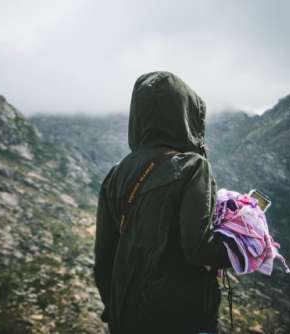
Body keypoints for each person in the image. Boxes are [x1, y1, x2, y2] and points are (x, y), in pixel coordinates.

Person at [94, 71, 234, 334]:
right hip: (180, 317)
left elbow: (103, 261)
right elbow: (199, 249)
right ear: (186, 115)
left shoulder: (115, 175)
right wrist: (241, 250)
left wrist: (114, 310)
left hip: (126, 318)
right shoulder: (192, 166)